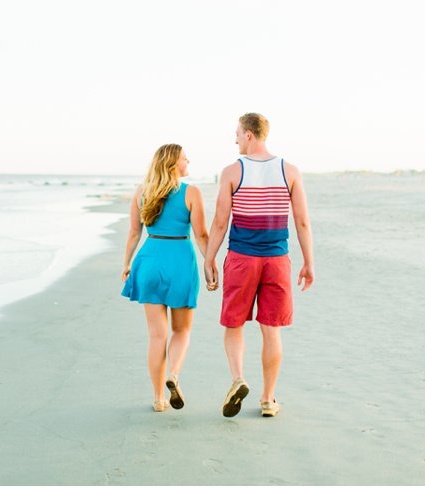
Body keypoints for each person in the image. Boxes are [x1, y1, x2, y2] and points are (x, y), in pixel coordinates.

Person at [203, 113, 314, 418]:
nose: (235, 138)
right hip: (277, 259)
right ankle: (267, 399)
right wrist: (308, 262)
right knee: (271, 330)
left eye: (237, 133)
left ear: (250, 135)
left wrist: (209, 258)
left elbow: (220, 221)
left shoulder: (231, 172)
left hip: (241, 258)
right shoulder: (289, 171)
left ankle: (238, 378)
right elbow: (302, 221)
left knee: (234, 325)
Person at [121, 143, 214, 412]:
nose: (189, 162)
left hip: (149, 261)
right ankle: (173, 374)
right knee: (181, 329)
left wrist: (126, 264)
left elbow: (133, 234)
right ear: (174, 164)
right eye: (185, 159)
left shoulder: (141, 192)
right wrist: (210, 265)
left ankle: (158, 398)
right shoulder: (191, 193)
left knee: (156, 336)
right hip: (180, 262)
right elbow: (202, 235)